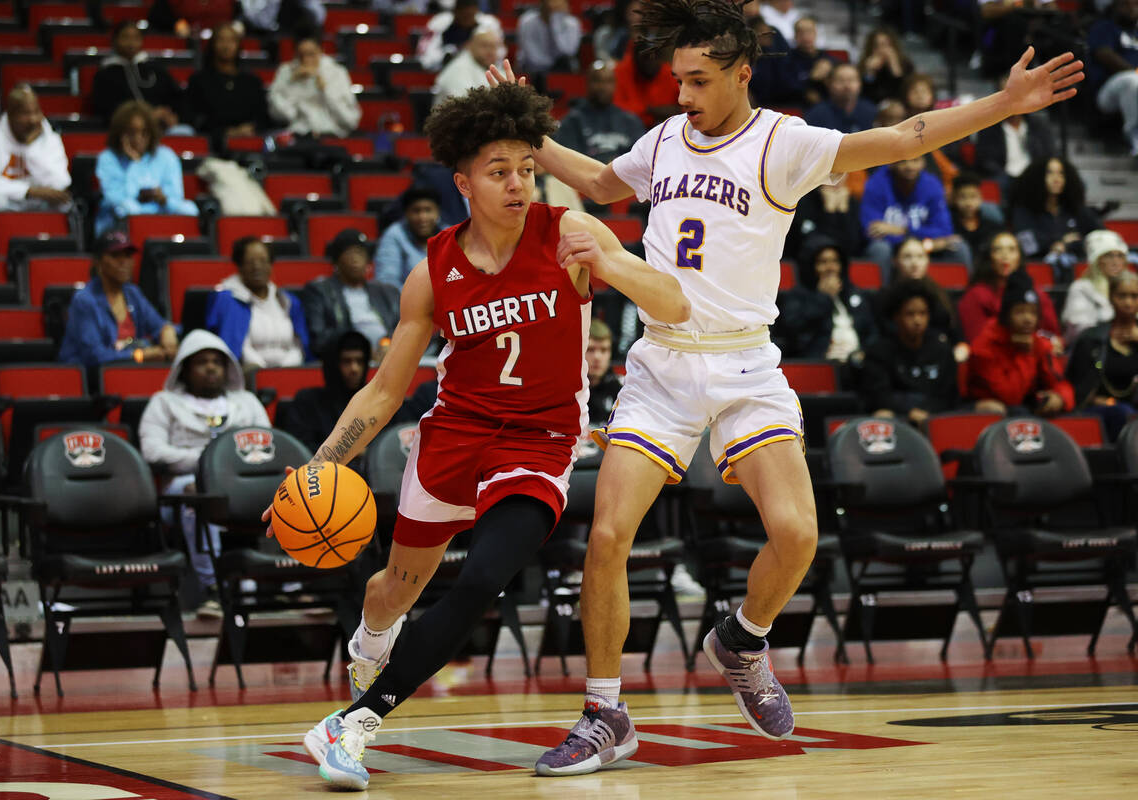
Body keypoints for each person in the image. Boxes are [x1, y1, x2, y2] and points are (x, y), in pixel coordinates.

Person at [488, 0, 1083, 774]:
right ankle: (606, 712)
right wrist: (529, 133)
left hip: (744, 366)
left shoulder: (784, 141)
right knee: (606, 537)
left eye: (698, 81)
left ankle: (740, 641)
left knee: (799, 534)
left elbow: (903, 136)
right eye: (676, 80)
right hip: (663, 362)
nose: (682, 96)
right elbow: (602, 185)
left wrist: (1003, 104)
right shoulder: (666, 136)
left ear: (741, 73)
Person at [284, 82, 689, 790]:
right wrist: (318, 466)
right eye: (498, 171)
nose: (517, 183)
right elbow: (385, 391)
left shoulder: (568, 232)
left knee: (479, 580)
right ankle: (373, 639)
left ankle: (350, 724)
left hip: (539, 442)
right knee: (394, 591)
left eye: (526, 168)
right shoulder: (431, 271)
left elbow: (674, 303)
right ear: (463, 182)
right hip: (454, 435)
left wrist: (611, 261)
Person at [139, 329, 270, 616]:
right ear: (184, 368)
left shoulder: (246, 402)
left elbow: (269, 444)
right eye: (201, 362)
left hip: (243, 481)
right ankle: (212, 588)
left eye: (217, 361)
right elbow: (152, 451)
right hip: (184, 486)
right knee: (198, 496)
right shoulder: (164, 402)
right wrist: (206, 463)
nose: (211, 367)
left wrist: (226, 469)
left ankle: (288, 586)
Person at [58, 231, 179, 367]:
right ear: (98, 262)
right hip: (93, 378)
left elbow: (158, 324)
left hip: (130, 372)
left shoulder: (132, 293)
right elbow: (93, 355)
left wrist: (167, 330)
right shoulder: (85, 300)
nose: (124, 262)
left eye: (128, 256)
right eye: (115, 256)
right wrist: (140, 355)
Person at [967, 271, 1074, 416]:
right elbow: (1011, 397)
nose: (1028, 319)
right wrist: (1026, 353)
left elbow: (1060, 382)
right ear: (1006, 316)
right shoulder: (985, 346)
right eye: (1020, 312)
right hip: (987, 412)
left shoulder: (1039, 343)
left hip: (1024, 408)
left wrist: (1059, 398)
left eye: (1033, 313)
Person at [859, 278, 960, 424]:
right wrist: (909, 410)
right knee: (883, 415)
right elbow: (879, 397)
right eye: (910, 314)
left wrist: (927, 410)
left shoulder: (941, 349)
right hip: (900, 419)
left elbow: (949, 397)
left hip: (934, 417)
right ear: (896, 317)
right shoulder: (880, 351)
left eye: (923, 313)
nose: (917, 320)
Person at [95, 101, 200, 236]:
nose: (138, 139)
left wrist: (163, 199)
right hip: (121, 225)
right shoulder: (108, 158)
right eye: (132, 132)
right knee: (128, 209)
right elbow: (118, 201)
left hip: (161, 216)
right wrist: (135, 163)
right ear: (120, 133)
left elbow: (175, 198)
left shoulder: (166, 156)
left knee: (191, 210)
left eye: (144, 132)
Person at [860, 156, 972, 282]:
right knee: (879, 249)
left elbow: (944, 230)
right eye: (903, 161)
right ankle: (881, 296)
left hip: (924, 245)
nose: (909, 166)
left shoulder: (932, 184)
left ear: (923, 162)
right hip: (893, 247)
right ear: (891, 163)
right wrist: (921, 242)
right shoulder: (876, 183)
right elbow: (871, 230)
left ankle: (958, 298)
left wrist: (902, 231)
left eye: (915, 160)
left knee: (958, 247)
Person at [206, 236, 310, 370]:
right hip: (249, 374)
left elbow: (298, 345)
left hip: (291, 371)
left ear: (271, 265)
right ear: (239, 265)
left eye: (263, 261)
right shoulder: (228, 300)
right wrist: (262, 374)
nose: (257, 267)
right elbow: (238, 345)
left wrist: (287, 369)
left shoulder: (287, 301)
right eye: (250, 261)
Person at [0, 84, 71, 212]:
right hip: (5, 205)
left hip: (37, 206)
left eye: (36, 112)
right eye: (26, 113)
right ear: (11, 115)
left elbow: (59, 184)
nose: (33, 120)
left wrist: (32, 148)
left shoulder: (50, 138)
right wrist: (28, 191)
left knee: (64, 204)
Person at [774, 236, 878, 363]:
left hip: (858, 363)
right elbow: (794, 332)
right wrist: (823, 297)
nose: (830, 267)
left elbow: (871, 332)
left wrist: (866, 352)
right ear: (811, 266)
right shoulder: (797, 296)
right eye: (823, 262)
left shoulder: (853, 293)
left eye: (835, 261)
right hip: (821, 364)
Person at [301, 229, 401, 362]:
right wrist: (358, 346)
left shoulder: (385, 292)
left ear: (368, 262)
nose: (355, 259)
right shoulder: (319, 291)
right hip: (348, 360)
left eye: (360, 253)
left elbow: (401, 328)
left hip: (389, 357)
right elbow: (319, 339)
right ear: (336, 261)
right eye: (349, 253)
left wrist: (388, 344)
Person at [1067, 270, 1138, 439]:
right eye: (1122, 296)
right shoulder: (1092, 339)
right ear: (1111, 298)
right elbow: (1077, 385)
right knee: (1123, 413)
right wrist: (1095, 400)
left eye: (1134, 296)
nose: (1128, 302)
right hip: (1102, 408)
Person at [958, 230, 1061, 343]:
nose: (1005, 255)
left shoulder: (1035, 293)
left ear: (1019, 257)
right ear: (989, 257)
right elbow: (976, 340)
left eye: (1011, 249)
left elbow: (1053, 335)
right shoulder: (976, 295)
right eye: (998, 250)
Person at [279, 330, 371, 452]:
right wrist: (347, 451)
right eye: (346, 361)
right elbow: (299, 451)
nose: (354, 369)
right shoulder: (308, 403)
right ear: (333, 364)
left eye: (359, 361)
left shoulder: (376, 402)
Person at [186, 22, 271, 153]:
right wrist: (226, 132)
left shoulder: (252, 81)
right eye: (221, 40)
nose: (226, 46)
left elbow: (263, 116)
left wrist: (250, 128)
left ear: (238, 46)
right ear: (213, 45)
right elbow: (193, 117)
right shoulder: (199, 80)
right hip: (211, 143)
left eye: (232, 41)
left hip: (249, 142)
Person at [1009, 156, 1100, 273]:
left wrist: (1067, 246)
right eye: (1050, 173)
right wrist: (1061, 241)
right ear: (1037, 177)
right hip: (1039, 270)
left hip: (1077, 269)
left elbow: (1099, 236)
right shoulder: (1024, 210)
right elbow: (1028, 245)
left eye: (1061, 174)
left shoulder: (1076, 209)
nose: (1056, 179)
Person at [91, 21, 185, 132]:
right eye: (125, 37)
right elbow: (106, 111)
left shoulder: (156, 69)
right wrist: (146, 116)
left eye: (136, 38)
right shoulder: (105, 75)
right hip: (125, 130)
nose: (131, 42)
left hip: (161, 127)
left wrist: (171, 115)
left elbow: (177, 98)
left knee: (184, 131)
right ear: (115, 41)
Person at [268, 26, 362, 138]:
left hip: (332, 136)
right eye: (301, 55)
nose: (306, 60)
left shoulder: (337, 72)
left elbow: (351, 121)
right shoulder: (286, 72)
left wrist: (326, 91)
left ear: (321, 50)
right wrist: (293, 84)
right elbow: (281, 115)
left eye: (311, 54)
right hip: (298, 135)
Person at [884, 235, 968, 357]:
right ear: (895, 261)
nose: (914, 263)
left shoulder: (941, 294)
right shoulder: (886, 296)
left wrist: (961, 346)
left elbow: (956, 333)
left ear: (928, 260)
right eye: (907, 257)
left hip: (942, 355)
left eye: (920, 256)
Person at [554, 60, 647, 168]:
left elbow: (640, 162)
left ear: (615, 85)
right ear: (587, 83)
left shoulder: (630, 121)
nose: (602, 87)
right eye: (597, 81)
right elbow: (569, 163)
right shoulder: (572, 121)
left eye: (608, 81)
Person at [1062, 228, 1134, 343]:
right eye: (1108, 256)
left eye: (1120, 256)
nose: (1115, 262)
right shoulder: (1081, 288)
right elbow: (1079, 331)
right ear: (1096, 260)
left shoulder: (1133, 288)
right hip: (1095, 352)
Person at [1087, 0, 1138, 156]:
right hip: (1107, 92)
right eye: (1127, 4)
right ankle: (1136, 140)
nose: (1132, 9)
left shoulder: (1135, 32)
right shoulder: (1104, 27)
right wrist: (1136, 71)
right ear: (1116, 6)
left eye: (1136, 5)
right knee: (1132, 81)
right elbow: (1105, 55)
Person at [374, 185, 444, 289]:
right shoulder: (394, 236)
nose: (422, 217)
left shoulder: (450, 235)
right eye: (416, 211)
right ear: (406, 214)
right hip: (405, 302)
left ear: (438, 213)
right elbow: (387, 283)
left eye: (428, 210)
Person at [974, 106, 1057, 185]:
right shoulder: (990, 127)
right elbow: (985, 158)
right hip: (1003, 174)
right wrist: (1002, 173)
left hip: (1033, 172)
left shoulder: (1037, 124)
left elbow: (1049, 152)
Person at [418, 0, 504, 72]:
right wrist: (449, 55)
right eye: (462, 9)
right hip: (446, 71)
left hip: (481, 72)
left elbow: (499, 55)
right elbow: (426, 59)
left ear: (476, 9)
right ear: (455, 10)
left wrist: (475, 53)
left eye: (470, 9)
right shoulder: (438, 23)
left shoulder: (489, 24)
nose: (466, 13)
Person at [434, 25, 502, 104]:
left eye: (494, 46)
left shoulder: (495, 67)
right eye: (484, 45)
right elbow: (465, 106)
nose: (490, 51)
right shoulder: (458, 69)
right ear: (469, 46)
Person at [805, 62, 878, 133]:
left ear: (860, 83)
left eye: (852, 80)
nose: (847, 86)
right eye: (840, 80)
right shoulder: (816, 115)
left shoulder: (872, 112)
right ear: (829, 83)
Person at [516, 0, 583, 77]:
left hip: (562, 70)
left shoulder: (572, 23)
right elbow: (532, 56)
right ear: (543, 3)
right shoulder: (527, 22)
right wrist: (550, 67)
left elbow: (569, 51)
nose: (556, 4)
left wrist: (556, 23)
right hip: (533, 71)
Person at [950, 170, 1006, 258]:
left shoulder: (992, 227)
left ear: (981, 198)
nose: (968, 203)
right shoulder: (948, 225)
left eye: (973, 196)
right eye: (962, 197)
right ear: (954, 199)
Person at [785, 16, 834, 109]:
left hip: (829, 105)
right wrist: (811, 78)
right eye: (801, 32)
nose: (805, 36)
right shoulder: (788, 59)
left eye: (809, 31)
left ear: (815, 33)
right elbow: (788, 87)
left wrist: (831, 69)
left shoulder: (827, 58)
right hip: (800, 106)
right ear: (795, 36)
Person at [857, 27, 914, 104]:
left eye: (886, 45)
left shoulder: (906, 64)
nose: (882, 50)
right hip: (872, 105)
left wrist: (895, 67)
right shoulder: (864, 65)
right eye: (877, 46)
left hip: (898, 105)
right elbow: (863, 94)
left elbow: (906, 91)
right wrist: (870, 72)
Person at [587, 319, 624, 424]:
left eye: (604, 350)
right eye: (590, 349)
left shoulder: (622, 389)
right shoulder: (566, 390)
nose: (597, 357)